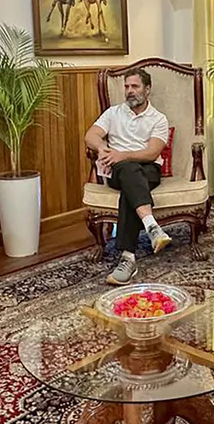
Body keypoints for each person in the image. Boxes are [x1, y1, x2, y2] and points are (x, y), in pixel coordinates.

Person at [84, 68, 172, 285]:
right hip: (117, 170)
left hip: (148, 169)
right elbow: (91, 135)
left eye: (135, 86)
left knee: (129, 184)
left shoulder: (158, 119)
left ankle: (128, 257)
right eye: (126, 87)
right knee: (127, 170)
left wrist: (123, 155)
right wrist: (103, 149)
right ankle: (152, 227)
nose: (129, 91)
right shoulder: (113, 113)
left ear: (147, 89)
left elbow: (153, 152)